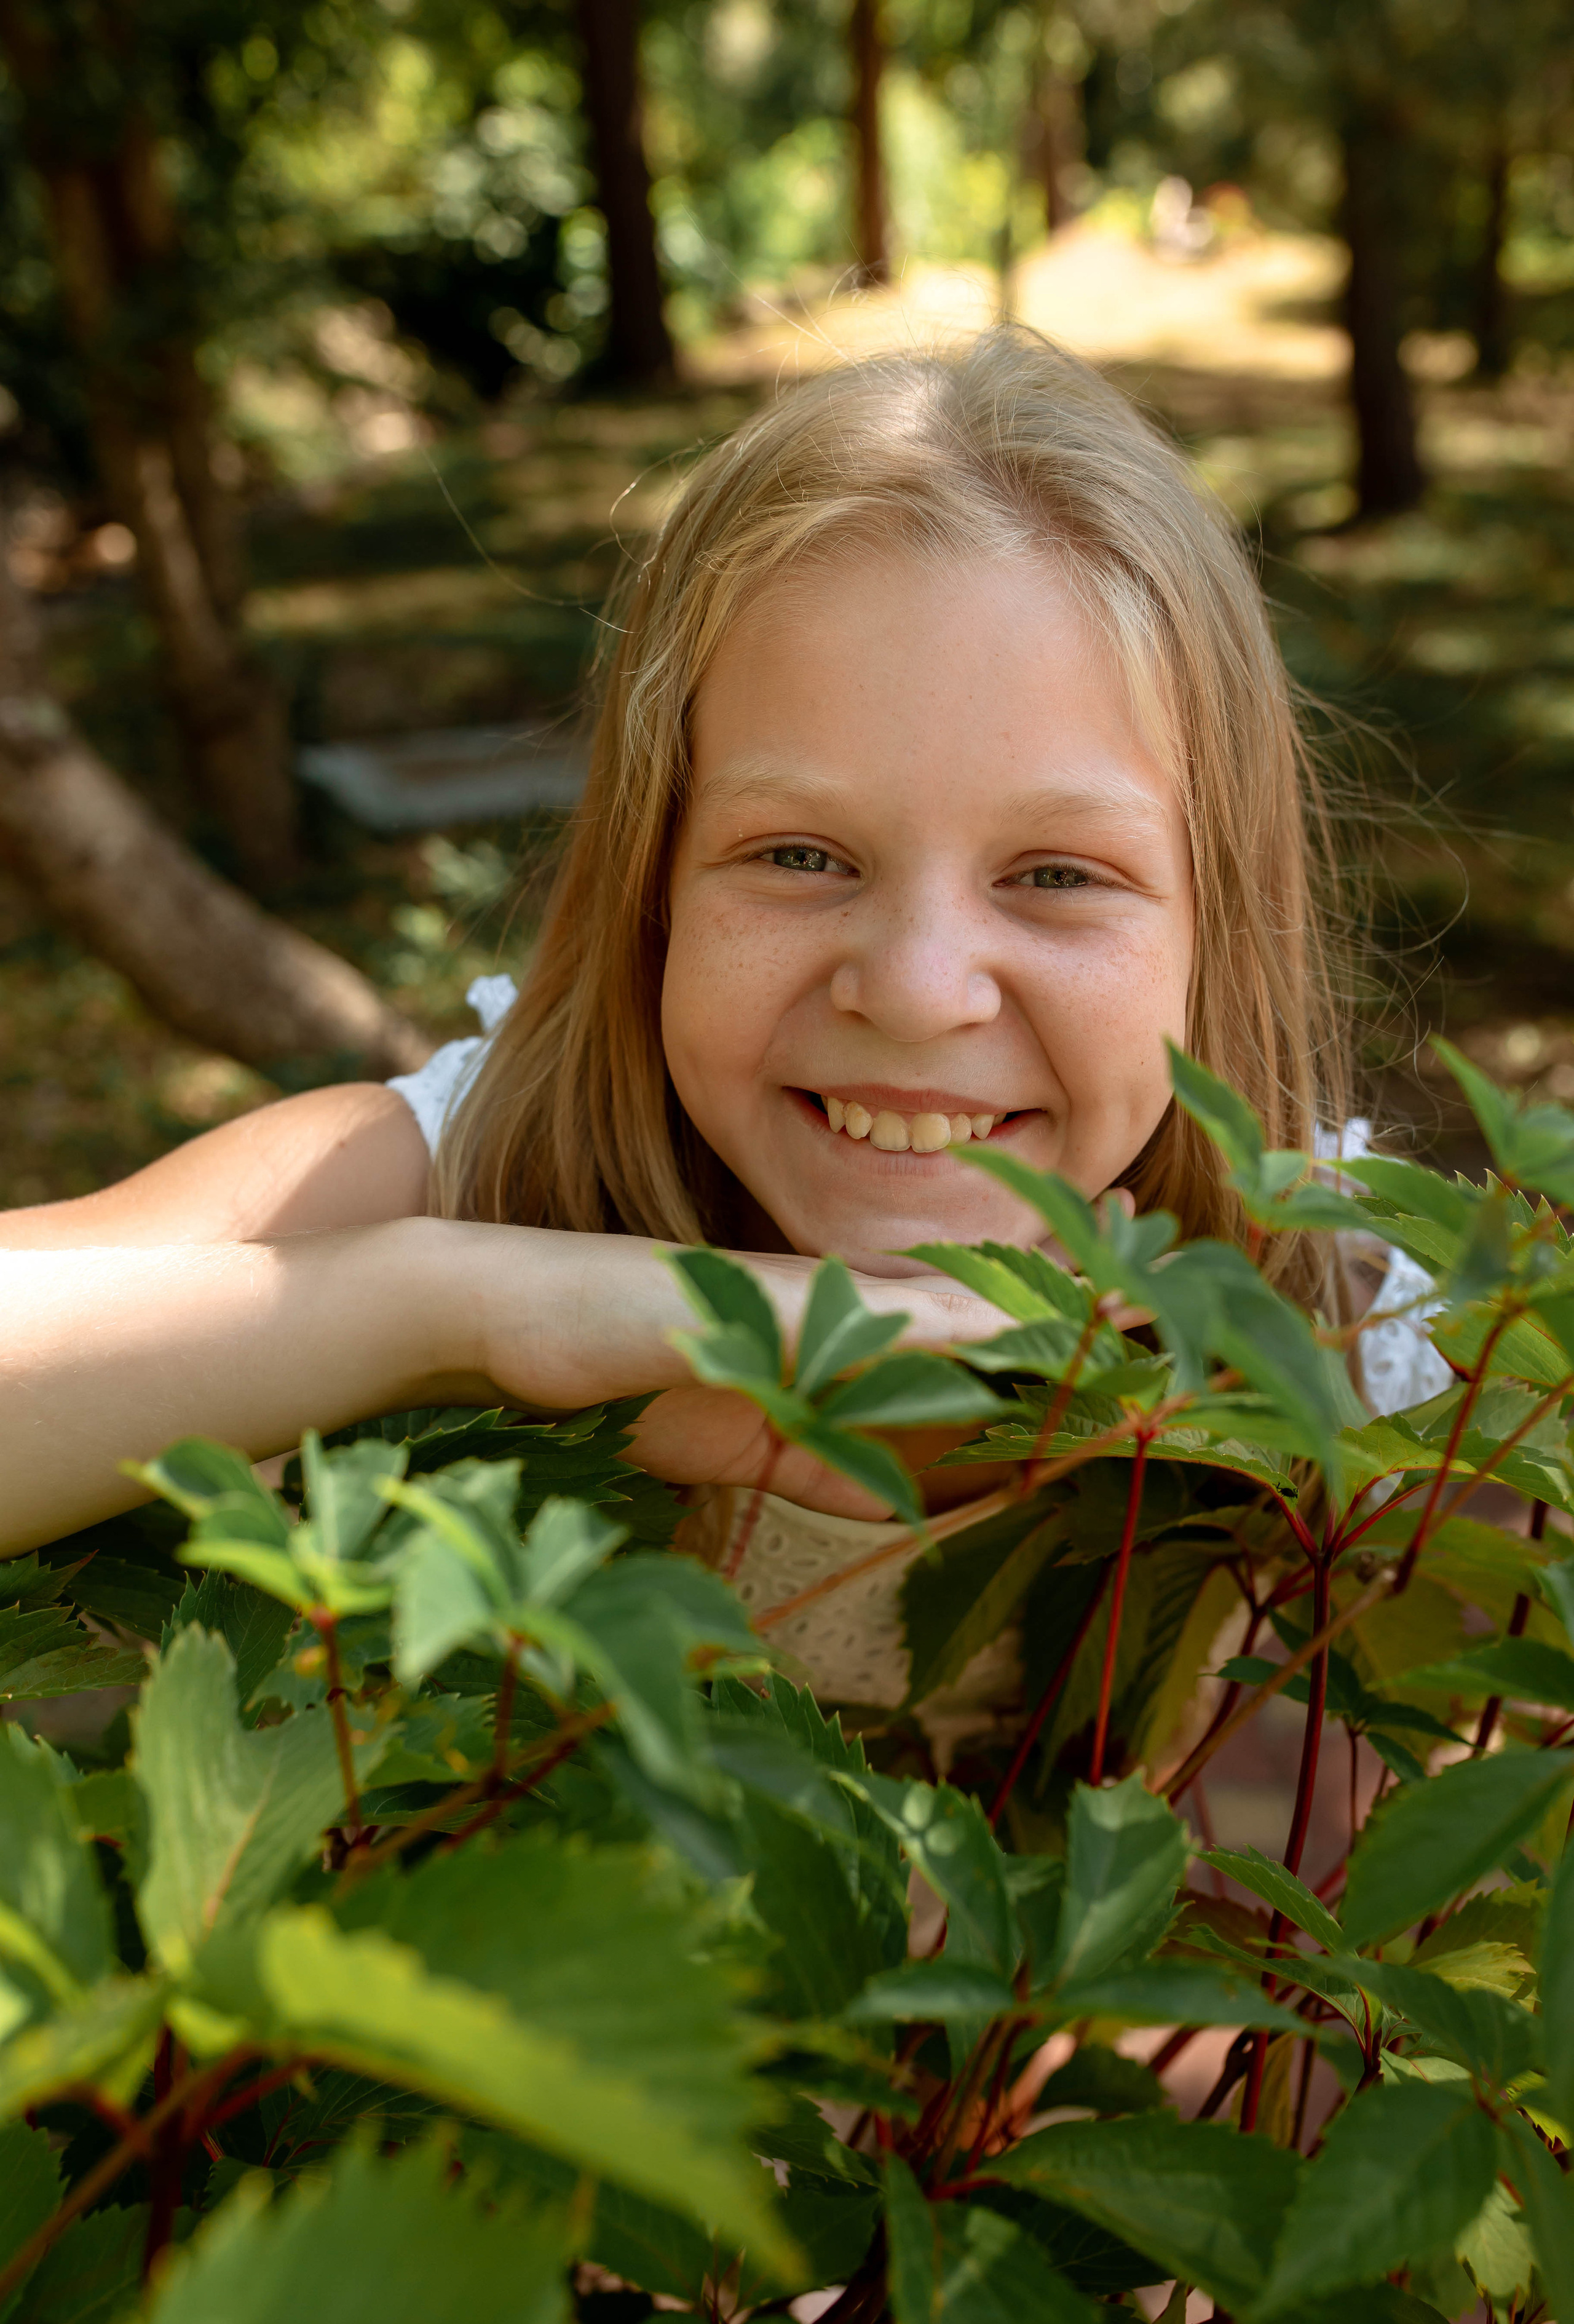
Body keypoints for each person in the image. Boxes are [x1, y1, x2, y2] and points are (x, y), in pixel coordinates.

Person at [1, 331, 1439, 1740]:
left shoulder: (1363, 1346)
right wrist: (441, 1313)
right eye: (799, 855)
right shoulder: (456, 1175)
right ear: (654, 883)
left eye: (1056, 874)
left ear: (1215, 924)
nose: (914, 991)